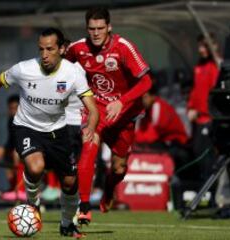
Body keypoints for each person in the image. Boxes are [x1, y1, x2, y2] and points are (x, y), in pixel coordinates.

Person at [0, 27, 99, 238]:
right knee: (36, 166)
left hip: (58, 131)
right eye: (41, 49)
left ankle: (67, 223)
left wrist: (90, 127)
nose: (45, 55)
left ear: (62, 49)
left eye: (50, 49)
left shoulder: (73, 73)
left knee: (69, 182)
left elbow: (92, 109)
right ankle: (33, 204)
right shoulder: (24, 69)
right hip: (26, 127)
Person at [65, 7, 152, 224]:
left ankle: (109, 189)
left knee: (119, 167)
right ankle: (84, 206)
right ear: (87, 28)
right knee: (89, 143)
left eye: (100, 28)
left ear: (109, 27)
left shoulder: (124, 48)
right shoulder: (78, 48)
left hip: (124, 112)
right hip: (96, 108)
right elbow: (63, 67)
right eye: (91, 28)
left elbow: (147, 82)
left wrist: (121, 101)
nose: (96, 33)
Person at [187, 34, 220, 182]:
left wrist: (201, 111)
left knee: (208, 157)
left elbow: (214, 95)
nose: (201, 50)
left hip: (209, 118)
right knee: (197, 152)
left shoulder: (216, 66)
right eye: (200, 46)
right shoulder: (199, 66)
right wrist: (190, 108)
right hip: (198, 119)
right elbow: (196, 92)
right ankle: (203, 188)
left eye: (205, 46)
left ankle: (212, 190)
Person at [135, 85, 189, 166]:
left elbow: (155, 133)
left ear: (153, 96)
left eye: (145, 97)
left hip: (175, 142)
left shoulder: (159, 106)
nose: (143, 100)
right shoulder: (146, 110)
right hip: (161, 141)